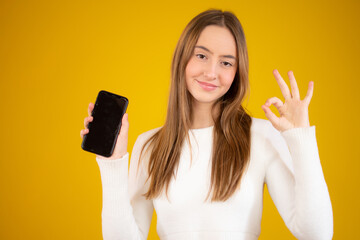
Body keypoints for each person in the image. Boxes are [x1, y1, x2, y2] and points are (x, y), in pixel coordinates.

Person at [80, 9, 333, 240]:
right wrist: (112, 162)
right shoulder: (149, 145)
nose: (211, 72)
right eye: (201, 56)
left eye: (226, 62)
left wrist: (301, 137)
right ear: (183, 59)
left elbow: (317, 234)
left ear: (237, 72)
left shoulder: (261, 136)